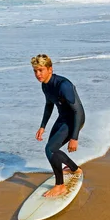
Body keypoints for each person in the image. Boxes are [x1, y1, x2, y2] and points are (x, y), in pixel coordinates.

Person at [31, 54, 85, 197]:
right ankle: (74, 169)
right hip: (63, 119)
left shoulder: (63, 85)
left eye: (41, 70)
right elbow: (49, 105)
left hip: (74, 119)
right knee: (51, 149)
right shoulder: (45, 86)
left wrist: (74, 137)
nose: (38, 74)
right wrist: (43, 126)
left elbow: (78, 112)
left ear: (50, 69)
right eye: (35, 71)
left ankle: (60, 186)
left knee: (51, 149)